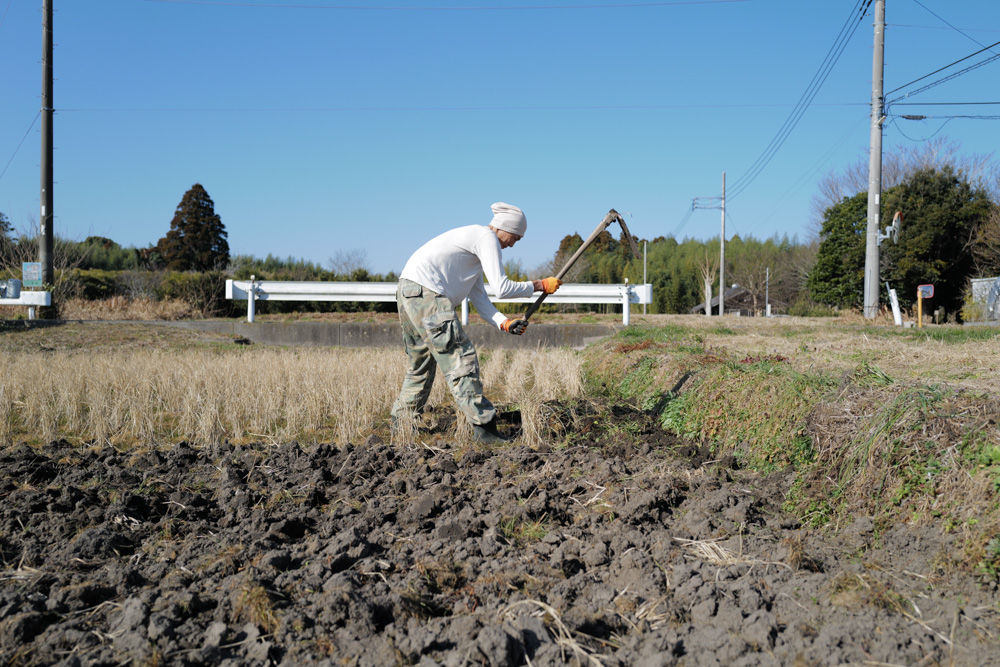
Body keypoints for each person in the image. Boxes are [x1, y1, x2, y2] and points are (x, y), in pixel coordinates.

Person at [391, 202, 562, 445]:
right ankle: (485, 430)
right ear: (503, 228)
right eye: (515, 237)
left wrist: (504, 323)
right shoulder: (486, 237)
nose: (513, 244)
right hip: (428, 293)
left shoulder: (472, 245)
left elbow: (480, 297)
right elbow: (502, 289)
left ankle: (402, 424)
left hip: (408, 290)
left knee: (421, 364)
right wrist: (539, 285)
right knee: (461, 358)